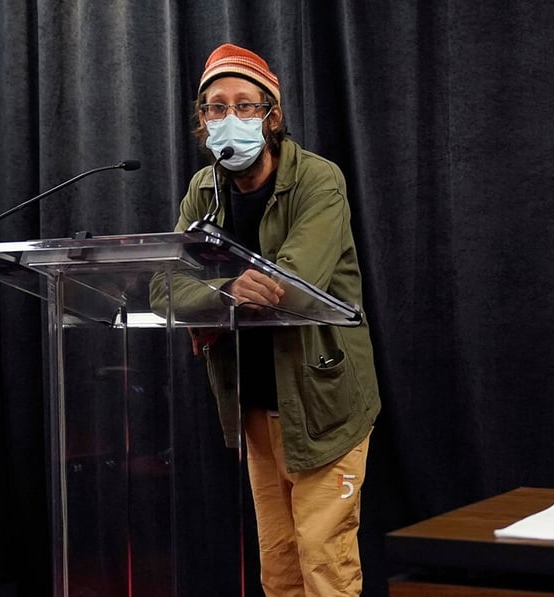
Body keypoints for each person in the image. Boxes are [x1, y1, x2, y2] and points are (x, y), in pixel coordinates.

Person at [173, 43, 380, 595]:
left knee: (323, 559)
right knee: (280, 563)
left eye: (245, 105)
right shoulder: (202, 190)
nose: (229, 118)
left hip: (323, 402)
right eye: (216, 108)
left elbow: (288, 283)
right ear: (202, 121)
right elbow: (165, 289)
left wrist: (215, 304)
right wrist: (225, 296)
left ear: (272, 116)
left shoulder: (319, 179)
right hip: (254, 404)